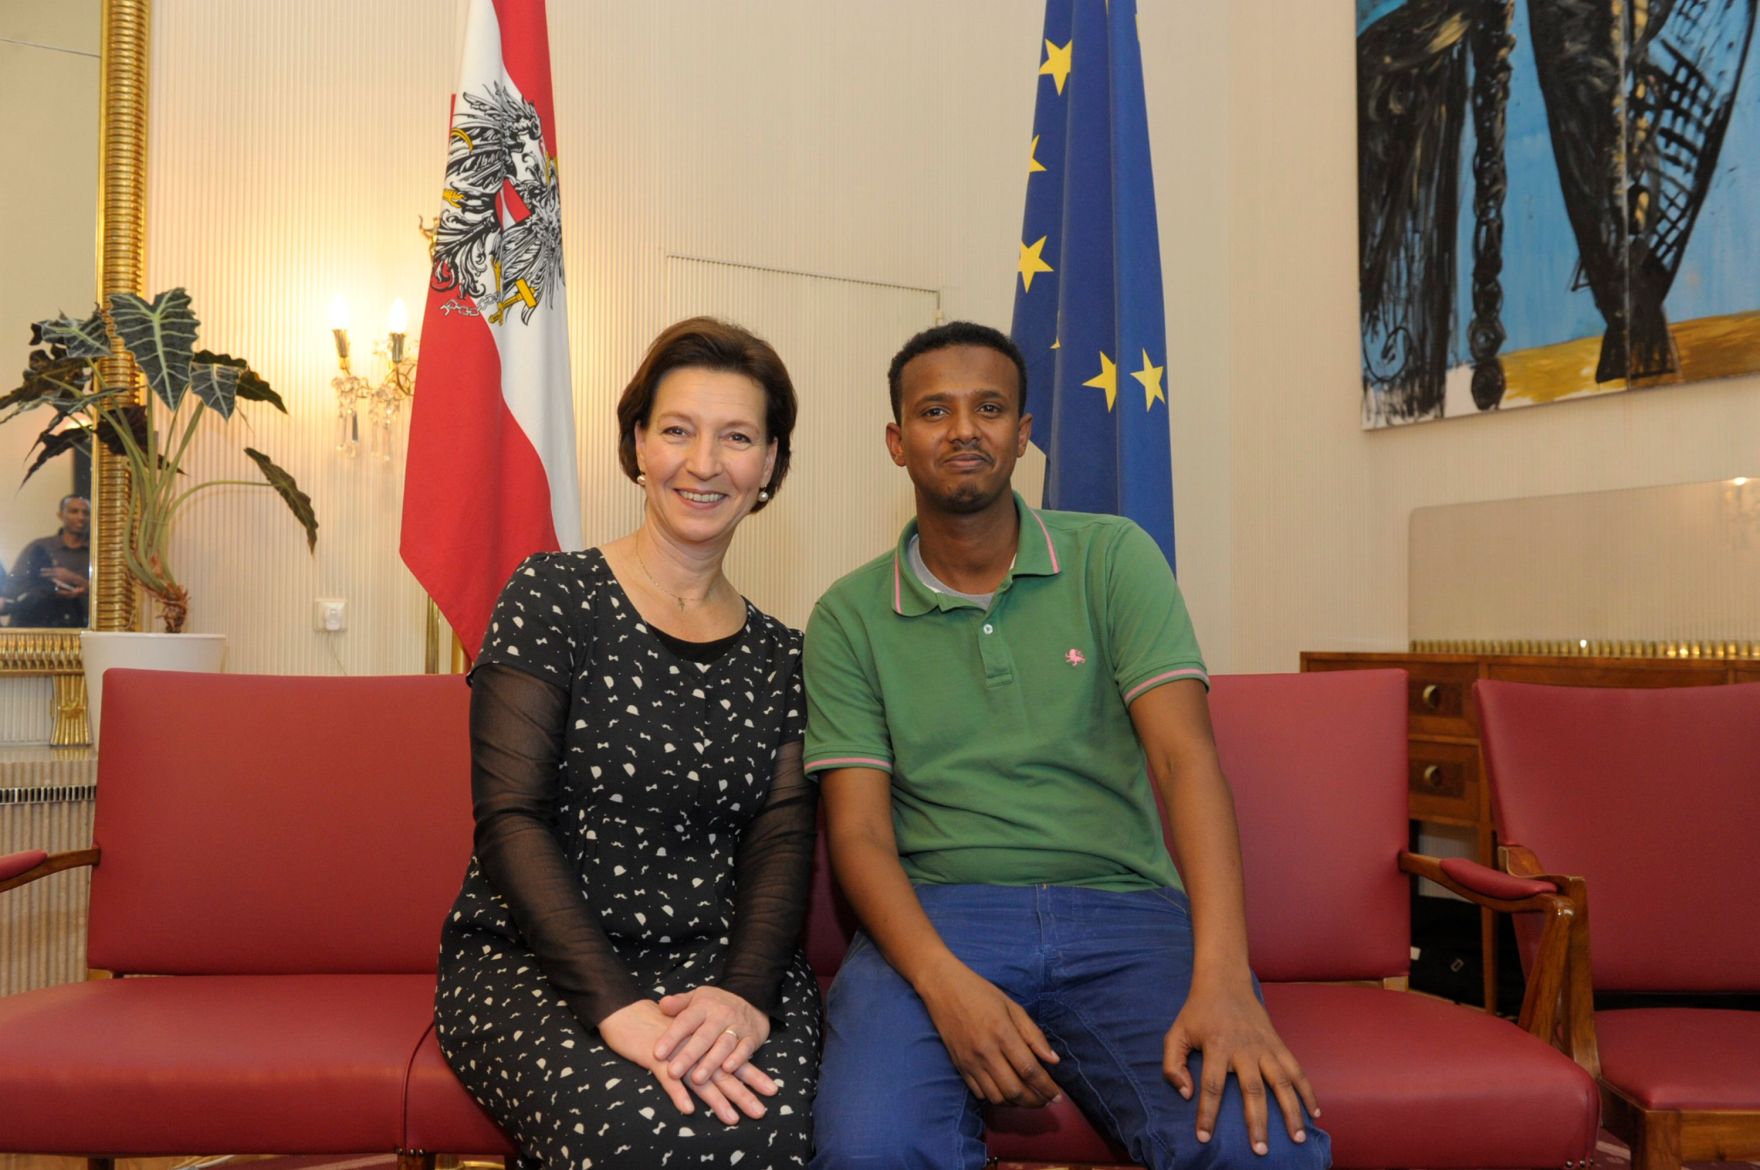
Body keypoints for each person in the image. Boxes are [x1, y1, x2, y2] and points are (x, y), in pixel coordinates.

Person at [804, 322, 1330, 1170]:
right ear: (898, 444)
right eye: (935, 411)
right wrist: (941, 982)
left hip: (1124, 910)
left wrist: (1226, 974)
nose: (964, 429)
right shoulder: (846, 616)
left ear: (1025, 433)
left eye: (990, 408)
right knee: (874, 1148)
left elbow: (1184, 760)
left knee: (1258, 1148)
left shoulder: (1113, 557)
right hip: (942, 912)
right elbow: (858, 834)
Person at [435, 318, 819, 1168]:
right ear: (637, 442)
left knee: (773, 1130)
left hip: (724, 968)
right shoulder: (552, 596)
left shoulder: (785, 655)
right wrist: (617, 1008)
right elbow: (510, 820)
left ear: (771, 466)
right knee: (639, 1134)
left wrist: (745, 998)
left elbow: (783, 839)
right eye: (677, 430)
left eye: (738, 437)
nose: (704, 462)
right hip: (539, 962)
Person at [3, 494, 91, 628]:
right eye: (74, 511)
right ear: (61, 515)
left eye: (86, 513)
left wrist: (78, 581)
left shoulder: (100, 554)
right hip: (40, 627)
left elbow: (113, 598)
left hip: (85, 630)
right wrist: (46, 589)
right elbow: (12, 588)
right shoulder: (39, 548)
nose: (81, 517)